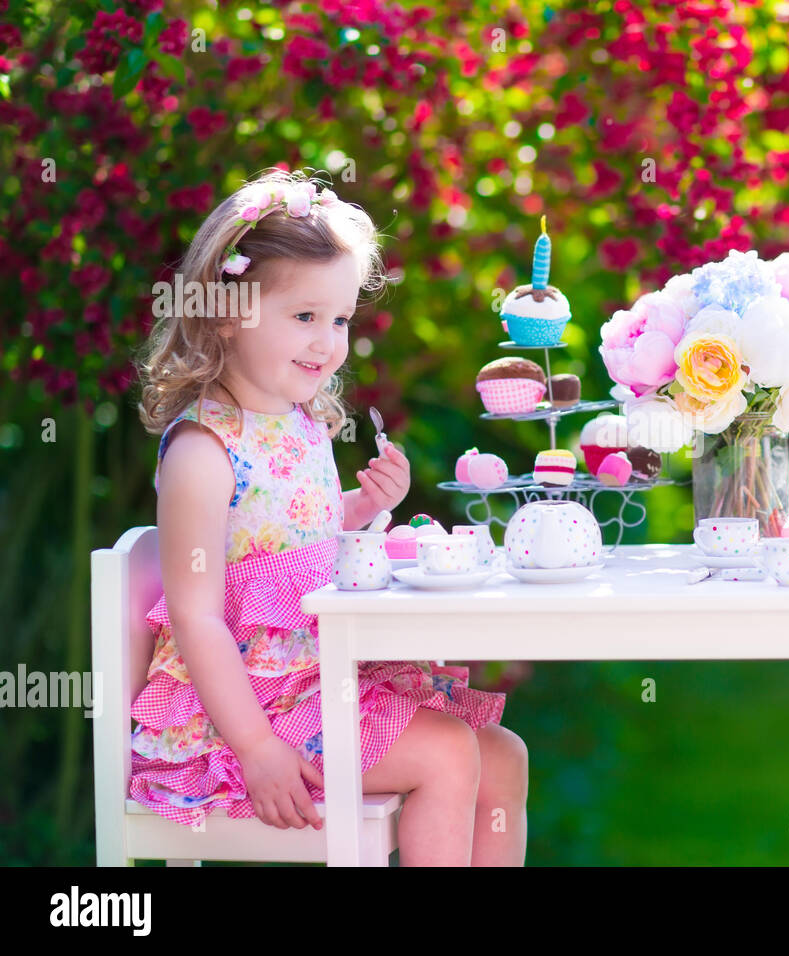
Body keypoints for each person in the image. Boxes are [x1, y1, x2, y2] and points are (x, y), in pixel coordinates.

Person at [132, 168, 527, 866]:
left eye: (339, 320)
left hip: (322, 680)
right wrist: (256, 749)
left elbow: (286, 542)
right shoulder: (204, 450)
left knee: (502, 755)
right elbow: (195, 617)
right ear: (227, 310)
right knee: (445, 752)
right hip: (247, 717)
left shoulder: (303, 423)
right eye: (305, 317)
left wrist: (364, 508)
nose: (327, 342)